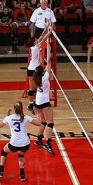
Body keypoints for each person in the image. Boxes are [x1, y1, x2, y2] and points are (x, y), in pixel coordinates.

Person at [0, 102, 41, 182]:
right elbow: (39, 123)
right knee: (21, 154)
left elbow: (0, 125)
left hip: (14, 144)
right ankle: (22, 175)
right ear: (22, 108)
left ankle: (1, 172)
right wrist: (37, 113)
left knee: (4, 151)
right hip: (25, 144)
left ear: (14, 109)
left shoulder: (9, 117)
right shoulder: (26, 117)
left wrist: (7, 116)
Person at [33, 26, 55, 155]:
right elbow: (48, 62)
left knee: (43, 121)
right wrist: (48, 46)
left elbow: (42, 64)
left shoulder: (37, 78)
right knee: (50, 123)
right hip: (44, 103)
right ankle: (48, 144)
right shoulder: (46, 77)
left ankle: (39, 139)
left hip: (38, 102)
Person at [26, 26, 52, 114]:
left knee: (34, 88)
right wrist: (49, 32)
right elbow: (43, 39)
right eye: (36, 40)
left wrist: (45, 29)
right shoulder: (36, 48)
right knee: (32, 89)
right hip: (33, 70)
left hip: (31, 68)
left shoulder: (34, 47)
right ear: (34, 43)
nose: (37, 40)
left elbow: (41, 37)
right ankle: (30, 105)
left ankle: (32, 104)